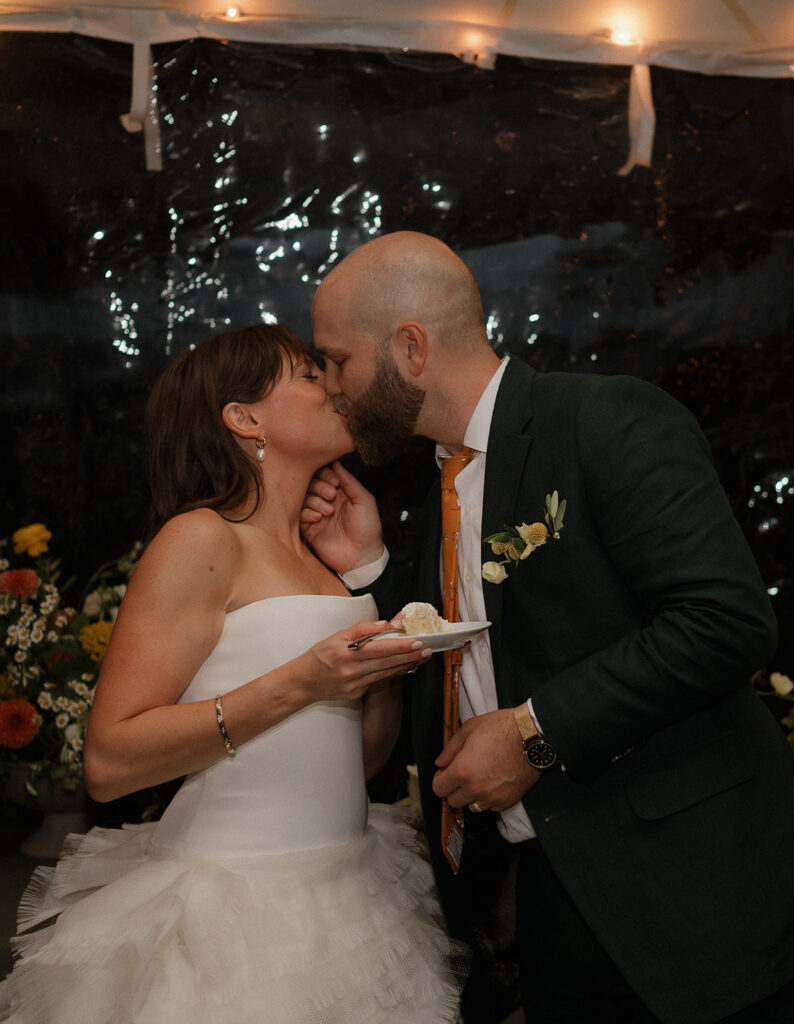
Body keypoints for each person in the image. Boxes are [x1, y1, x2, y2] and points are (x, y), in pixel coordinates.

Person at [302, 231, 794, 1024]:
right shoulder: (445, 479)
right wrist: (369, 570)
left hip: (691, 899)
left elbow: (726, 621)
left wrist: (535, 733)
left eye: (336, 361)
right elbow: (489, 637)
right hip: (548, 897)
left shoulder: (604, 420)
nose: (330, 387)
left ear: (410, 347)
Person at [0, 324, 466, 1024]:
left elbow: (366, 757)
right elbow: (109, 760)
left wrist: (369, 571)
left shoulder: (328, 562)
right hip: (233, 911)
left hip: (348, 891)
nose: (333, 385)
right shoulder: (200, 538)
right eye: (308, 374)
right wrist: (299, 684)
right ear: (244, 418)